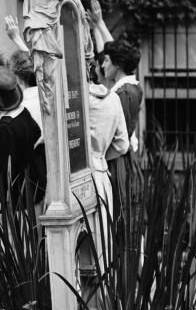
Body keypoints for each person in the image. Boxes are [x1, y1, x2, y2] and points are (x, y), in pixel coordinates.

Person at [0, 66, 44, 210]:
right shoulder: (23, 113)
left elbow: (3, 169)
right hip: (32, 191)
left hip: (15, 200)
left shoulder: (5, 126)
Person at [86, 60, 129, 262]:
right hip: (102, 174)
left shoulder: (75, 98)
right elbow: (122, 145)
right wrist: (101, 156)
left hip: (78, 174)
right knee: (102, 244)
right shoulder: (113, 98)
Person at [23, 0, 71, 115]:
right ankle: (49, 108)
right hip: (42, 30)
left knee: (45, 71)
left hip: (40, 28)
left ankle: (49, 104)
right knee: (48, 72)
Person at [101, 40, 144, 215]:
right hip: (123, 159)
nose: (103, 65)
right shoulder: (129, 87)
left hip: (119, 161)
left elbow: (120, 136)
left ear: (117, 64)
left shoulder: (124, 93)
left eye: (106, 60)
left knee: (120, 213)